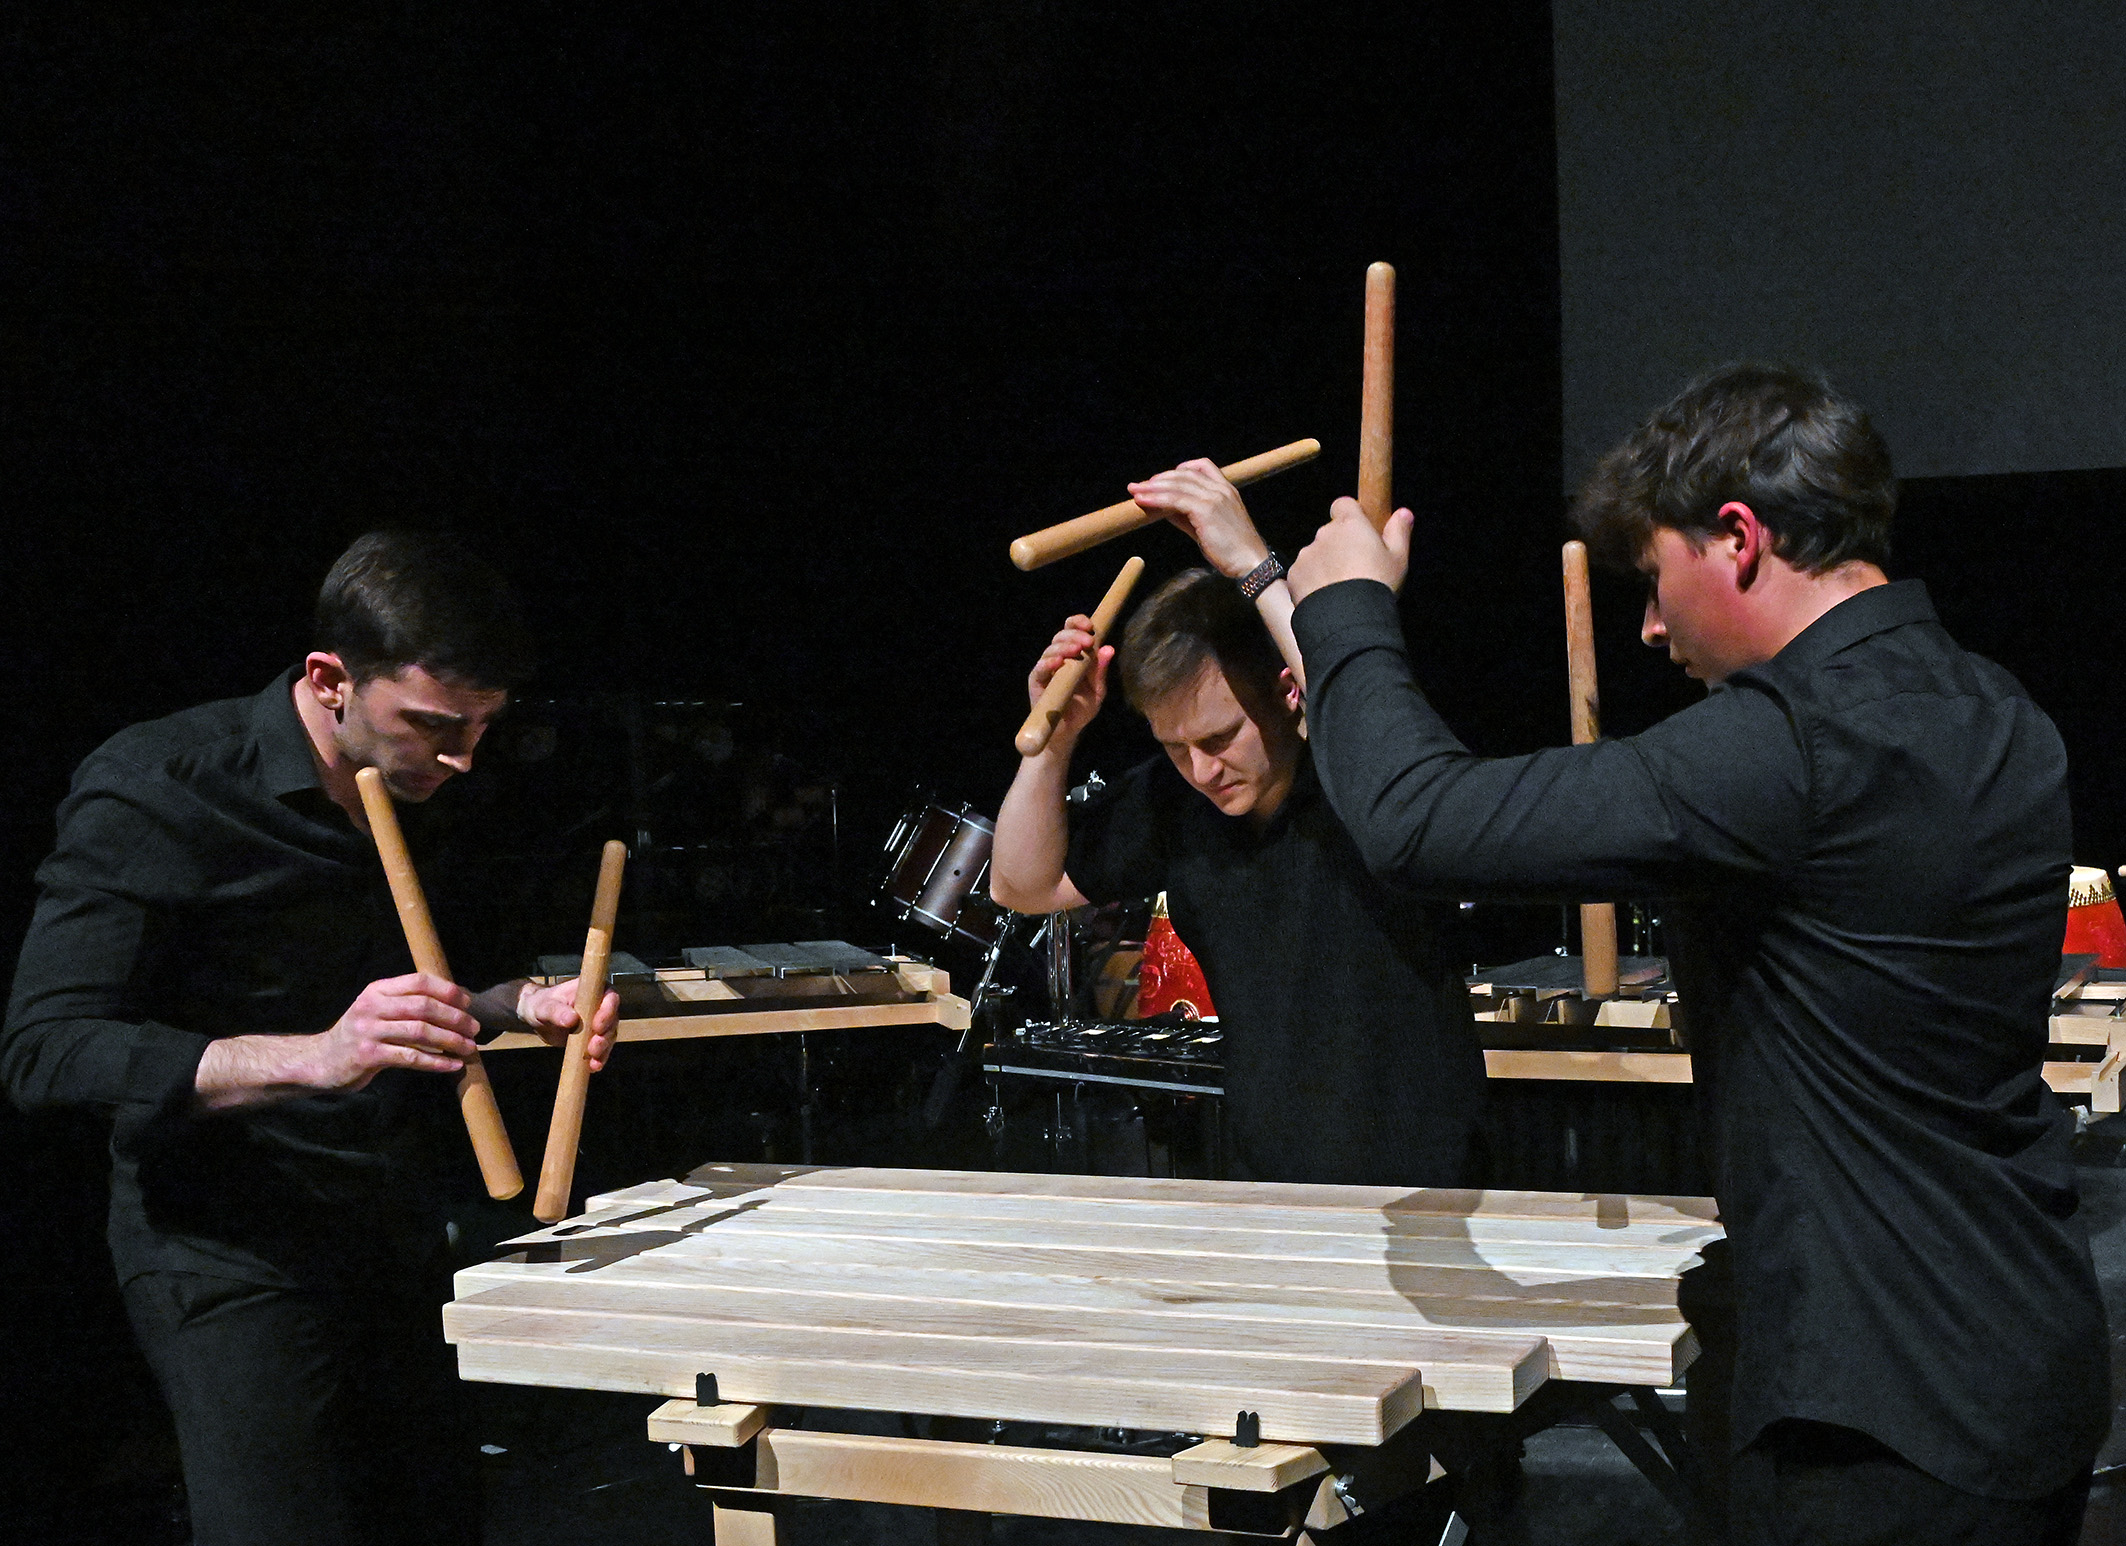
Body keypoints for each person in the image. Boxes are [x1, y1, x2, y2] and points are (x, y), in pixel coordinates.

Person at [1275, 363, 2106, 1542]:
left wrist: (1346, 609)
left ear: (1737, 537)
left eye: (1654, 580)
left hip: (1880, 1411)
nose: (1651, 625)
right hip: (2022, 1352)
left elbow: (1418, 821)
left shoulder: (1788, 748)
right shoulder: (1995, 708)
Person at [3, 530, 621, 1546]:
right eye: (433, 725)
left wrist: (512, 1007)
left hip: (388, 1222)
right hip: (224, 1242)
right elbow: (46, 1049)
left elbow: (415, 1000)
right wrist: (315, 1054)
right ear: (330, 679)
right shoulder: (162, 786)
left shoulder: (429, 783)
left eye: (482, 727)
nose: (462, 758)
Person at [990, 459, 1486, 1189]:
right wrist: (1055, 741)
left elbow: (1344, 684)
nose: (1201, 769)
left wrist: (1255, 566)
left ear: (1288, 693)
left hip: (1424, 1189)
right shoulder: (1179, 800)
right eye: (1173, 746)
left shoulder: (1363, 773)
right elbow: (1020, 884)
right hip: (1270, 1186)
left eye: (1220, 738)